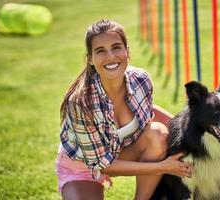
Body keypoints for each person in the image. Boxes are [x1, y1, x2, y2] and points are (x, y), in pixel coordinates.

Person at [55, 19, 192, 200]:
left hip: (122, 152)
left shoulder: (140, 79)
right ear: (90, 58)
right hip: (83, 166)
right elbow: (101, 165)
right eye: (100, 51)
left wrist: (191, 131)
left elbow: (149, 111)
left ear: (127, 51)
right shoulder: (80, 103)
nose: (111, 56)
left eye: (116, 47)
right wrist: (164, 167)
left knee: (157, 134)